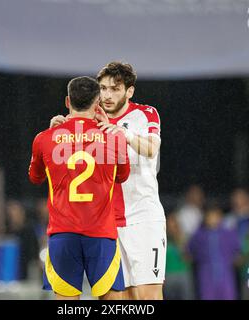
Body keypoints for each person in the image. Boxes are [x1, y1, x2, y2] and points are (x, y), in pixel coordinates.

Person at [50, 62, 166, 300]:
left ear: (129, 91)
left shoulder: (145, 114)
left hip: (143, 218)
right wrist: (58, 132)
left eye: (115, 89)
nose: (107, 95)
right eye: (103, 89)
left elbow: (152, 148)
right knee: (115, 299)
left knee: (146, 297)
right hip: (105, 225)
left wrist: (126, 135)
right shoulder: (89, 121)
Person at [29, 76, 130, 300]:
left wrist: (52, 137)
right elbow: (122, 176)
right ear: (98, 105)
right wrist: (110, 128)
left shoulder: (44, 139)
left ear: (67, 102)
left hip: (62, 234)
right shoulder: (115, 139)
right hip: (101, 234)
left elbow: (35, 177)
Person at [188, 203, 240, 300]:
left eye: (215, 216)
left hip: (225, 276)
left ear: (220, 217)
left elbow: (238, 251)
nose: (212, 219)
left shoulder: (228, 233)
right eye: (209, 216)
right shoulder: (199, 234)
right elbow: (189, 251)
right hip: (206, 276)